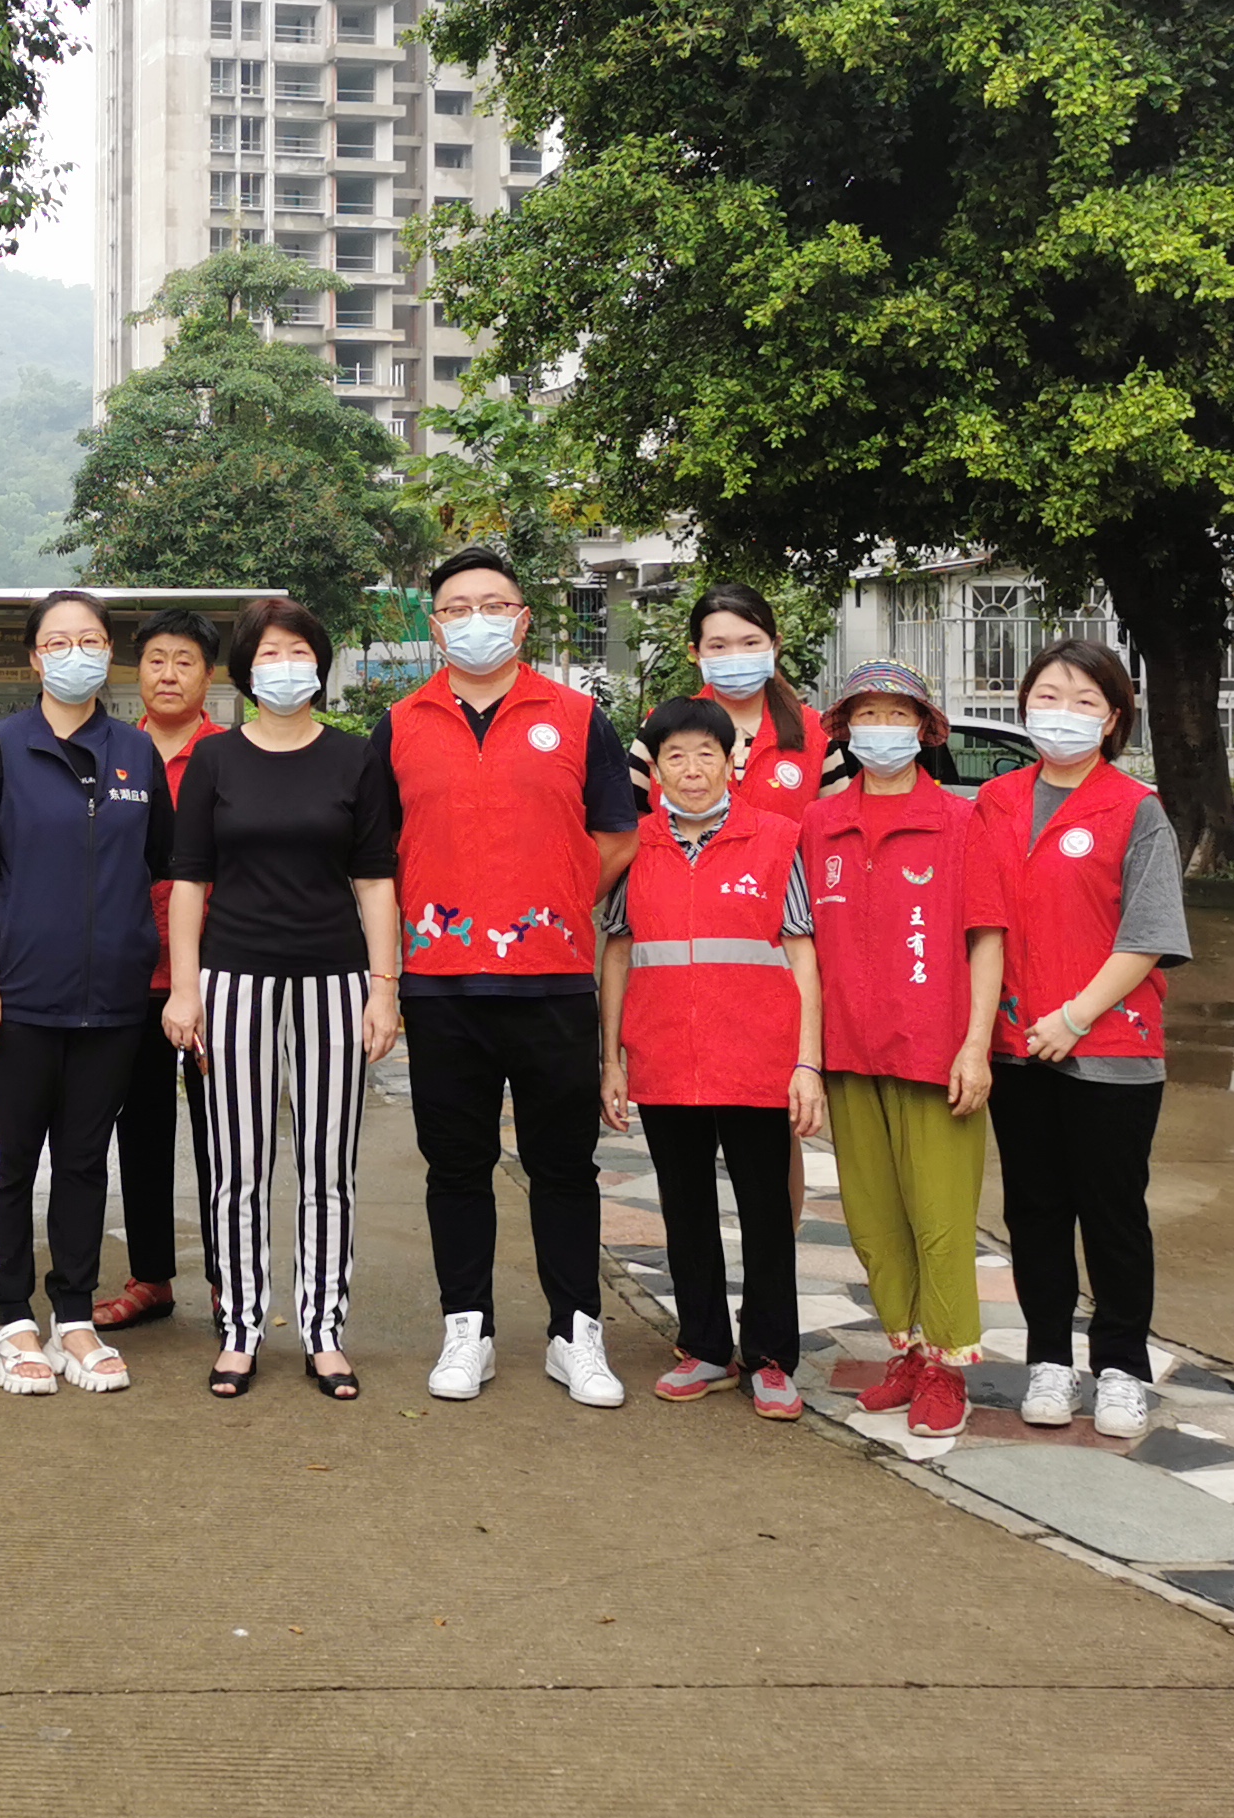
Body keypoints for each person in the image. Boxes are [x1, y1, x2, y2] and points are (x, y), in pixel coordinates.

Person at [390, 545, 646, 1408]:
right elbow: (380, 855)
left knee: (563, 1165)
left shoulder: (577, 717)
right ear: (436, 628)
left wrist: (556, 900)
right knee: (455, 1165)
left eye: (493, 604)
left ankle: (577, 1333)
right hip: (440, 983)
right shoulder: (401, 724)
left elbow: (618, 834)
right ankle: (467, 1328)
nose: (477, 621)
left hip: (553, 980)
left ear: (524, 618)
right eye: (457, 608)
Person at [161, 597, 403, 1399]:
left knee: (329, 1164)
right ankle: (240, 1330)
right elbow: (189, 882)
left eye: (299, 652)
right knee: (237, 1165)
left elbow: (375, 880)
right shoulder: (215, 761)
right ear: (244, 672)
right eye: (269, 654)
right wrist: (185, 989)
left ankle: (324, 1331)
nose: (285, 667)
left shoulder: (356, 759)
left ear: (320, 666)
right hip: (233, 978)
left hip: (335, 978)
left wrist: (384, 989)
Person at [0, 589, 172, 1396]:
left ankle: (73, 1316)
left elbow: (166, 867)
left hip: (113, 1001)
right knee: (11, 1162)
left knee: (84, 1161)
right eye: (58, 641)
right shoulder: (1, 747)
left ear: (108, 652)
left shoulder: (137, 754)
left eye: (90, 639)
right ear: (35, 659)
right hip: (18, 997)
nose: (75, 653)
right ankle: (12, 1318)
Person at [980, 637, 1189, 1442]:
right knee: (1034, 1209)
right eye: (1047, 696)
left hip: (1111, 1048)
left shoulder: (1137, 809)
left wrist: (1073, 1019)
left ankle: (1123, 1368)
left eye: (1083, 701)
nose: (1061, 713)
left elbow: (1148, 935)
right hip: (1016, 1044)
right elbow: (983, 921)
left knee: (1112, 1213)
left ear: (1112, 719)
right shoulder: (996, 801)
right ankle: (1047, 1359)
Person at [596, 696, 823, 1422]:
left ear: (732, 763)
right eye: (675, 757)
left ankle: (771, 1358)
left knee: (765, 1212)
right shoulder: (635, 846)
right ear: (656, 770)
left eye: (706, 755)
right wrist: (611, 1059)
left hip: (758, 1060)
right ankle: (704, 1347)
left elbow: (802, 954)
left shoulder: (777, 839)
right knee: (685, 1206)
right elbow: (619, 952)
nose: (691, 770)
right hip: (665, 1057)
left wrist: (808, 1063)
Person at [800, 660, 1005, 1444]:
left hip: (935, 1051)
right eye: (867, 715)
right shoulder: (820, 825)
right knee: (873, 1218)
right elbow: (801, 947)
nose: (881, 729)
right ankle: (909, 1354)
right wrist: (809, 1057)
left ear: (924, 729)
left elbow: (986, 936)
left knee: (940, 1218)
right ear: (844, 730)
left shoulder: (960, 821)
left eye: (897, 715)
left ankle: (950, 1367)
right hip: (850, 1050)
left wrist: (976, 1046)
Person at [101, 607, 225, 1337]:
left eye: (184, 661)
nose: (168, 674)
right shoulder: (111, 752)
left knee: (223, 1136)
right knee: (140, 1131)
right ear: (136, 670)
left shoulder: (233, 755)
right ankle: (150, 1277)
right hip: (130, 975)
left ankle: (228, 1279)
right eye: (156, 660)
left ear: (209, 675)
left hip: (217, 978)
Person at [682, 584, 823, 821]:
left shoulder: (816, 731)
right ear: (696, 653)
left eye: (750, 643)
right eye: (718, 646)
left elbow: (834, 829)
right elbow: (632, 822)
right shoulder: (662, 728)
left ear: (775, 646)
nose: (736, 656)